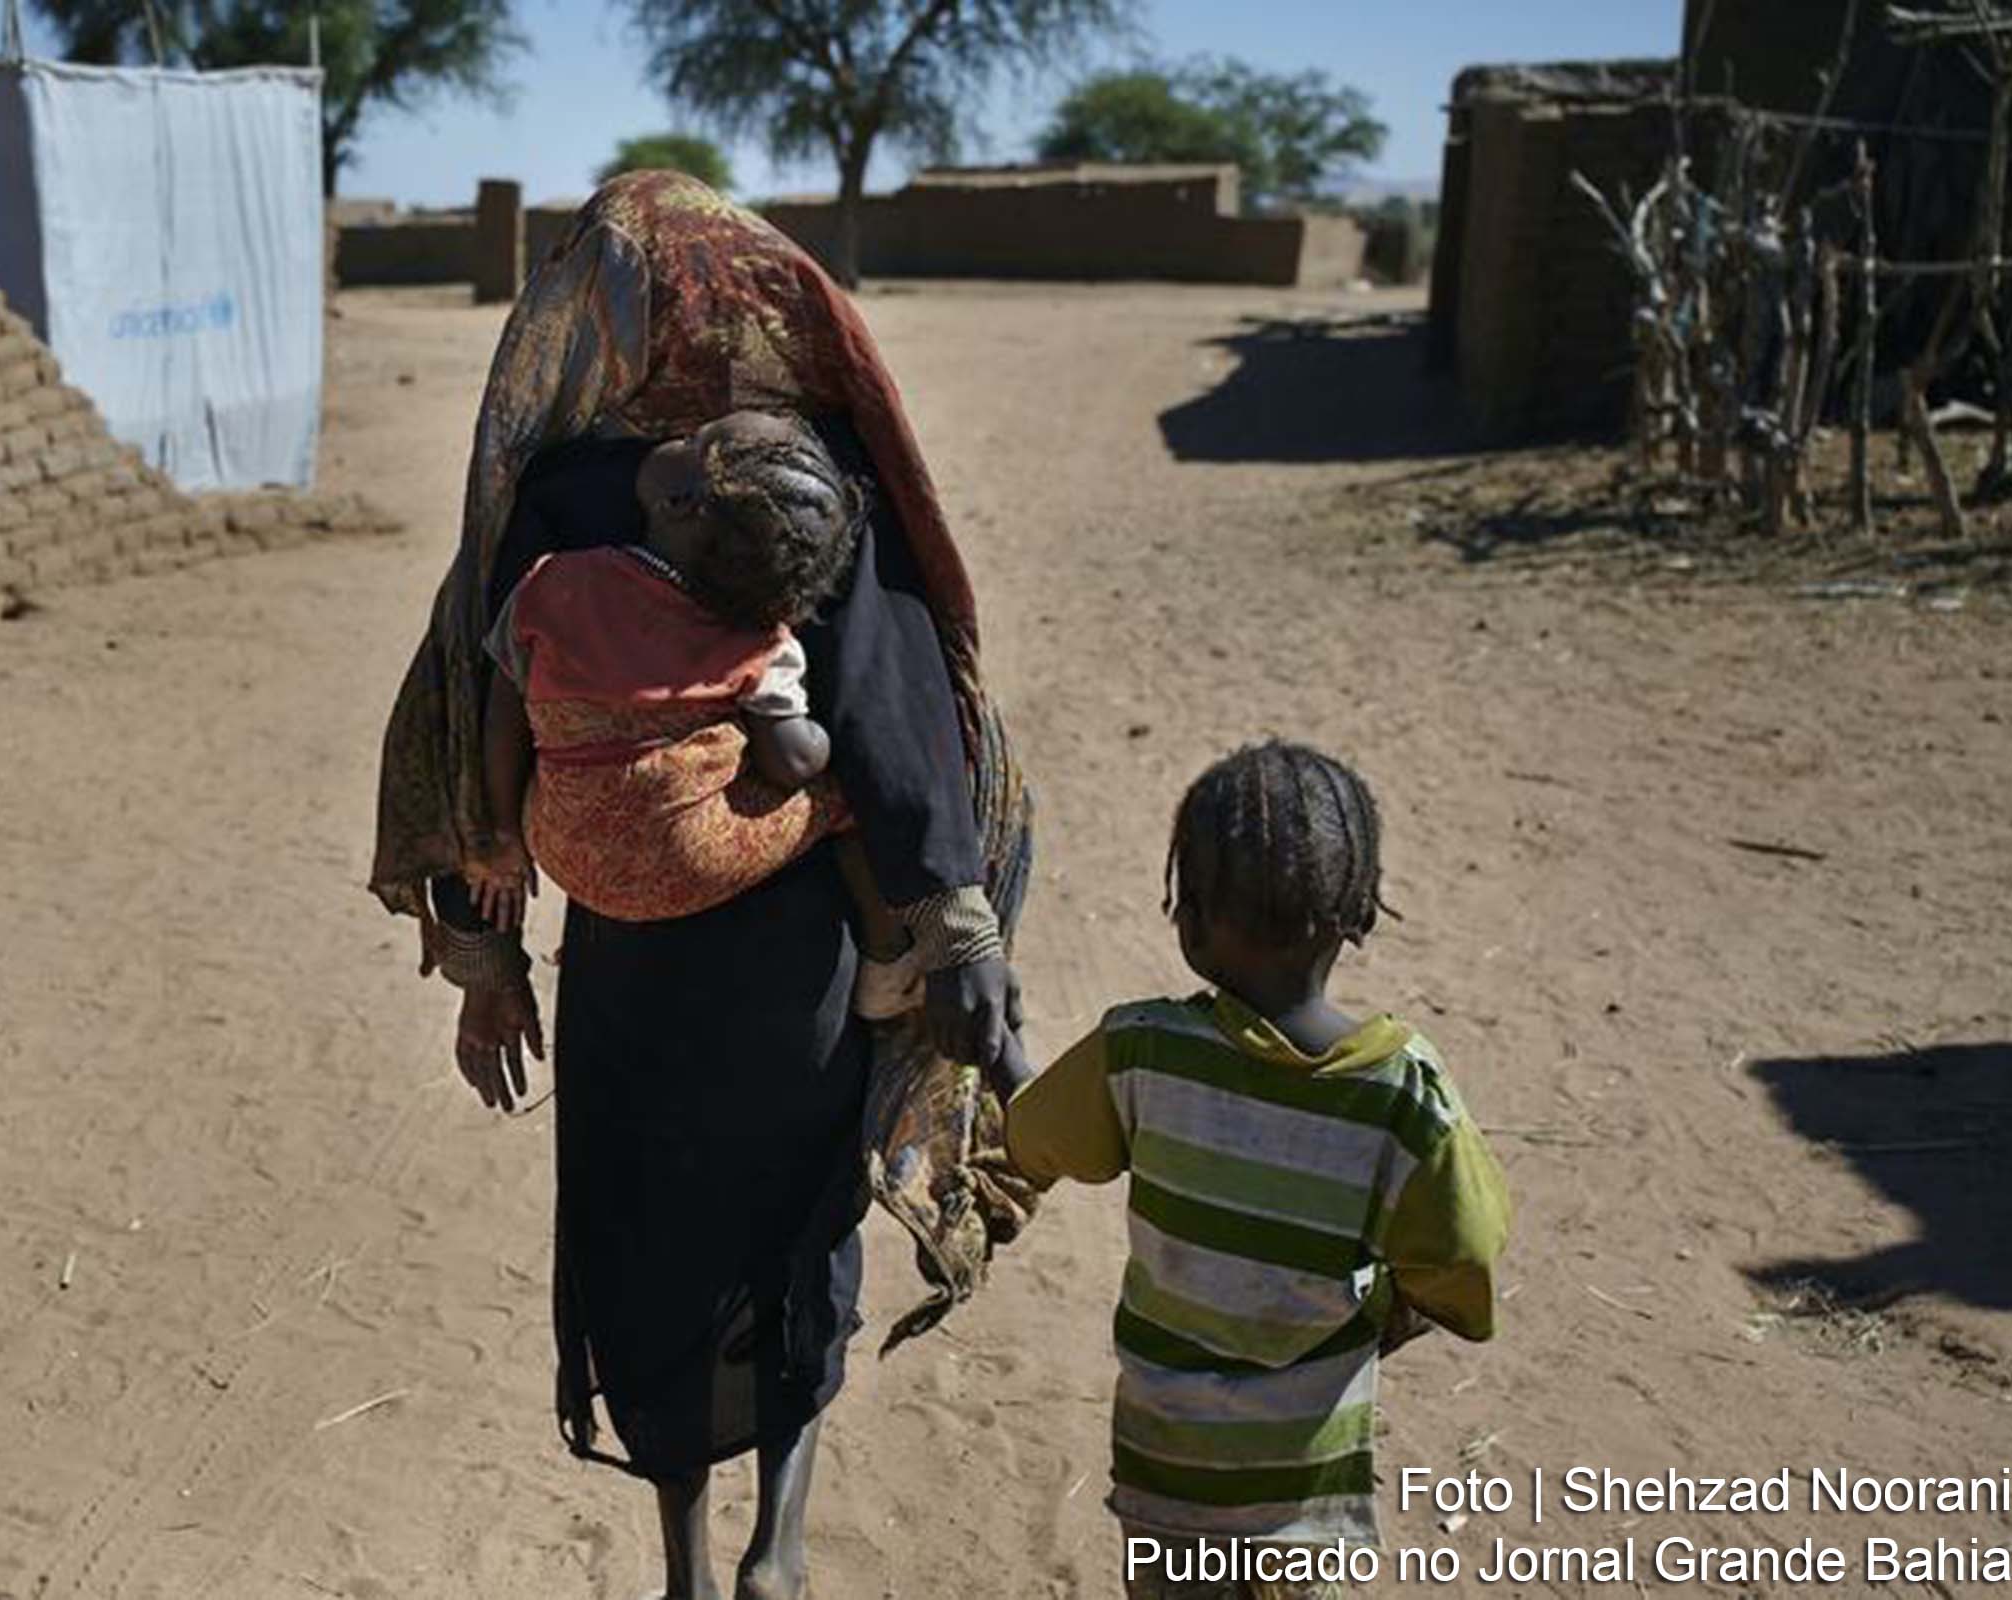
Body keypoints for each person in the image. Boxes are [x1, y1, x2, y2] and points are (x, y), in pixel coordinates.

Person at [369, 172, 1036, 1600]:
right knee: (797, 1218)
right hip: (794, 963)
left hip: (628, 966)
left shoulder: (558, 493)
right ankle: (778, 1547)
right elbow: (897, 697)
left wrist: (488, 962)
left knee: (647, 1231)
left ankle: (684, 1561)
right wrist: (955, 914)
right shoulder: (812, 474)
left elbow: (467, 722)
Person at [1005, 741, 1511, 1600]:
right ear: (1360, 912)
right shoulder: (1404, 1095)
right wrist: (1398, 1309)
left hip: (1168, 1471)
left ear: (1190, 920)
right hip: (1304, 1491)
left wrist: (999, 1048)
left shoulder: (1141, 1052)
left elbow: (1035, 1140)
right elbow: (1465, 1253)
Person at [467, 409, 925, 1020]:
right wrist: (819, 744)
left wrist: (503, 833)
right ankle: (888, 956)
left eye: (690, 442)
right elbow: (789, 765)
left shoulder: (554, 583)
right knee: (848, 800)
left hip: (558, 846)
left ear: (679, 504)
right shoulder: (758, 643)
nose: (678, 434)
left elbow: (503, 713)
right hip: (683, 863)